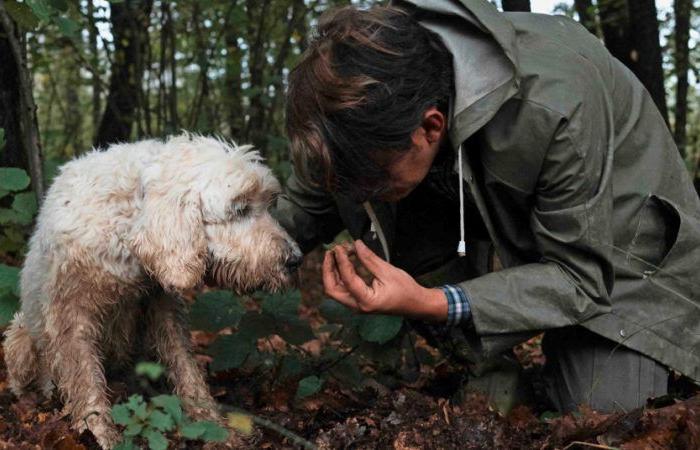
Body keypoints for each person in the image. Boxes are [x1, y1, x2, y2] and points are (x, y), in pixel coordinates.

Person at [273, 0, 700, 413]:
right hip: (525, 226)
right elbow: (303, 206)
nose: (361, 193)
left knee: (606, 410)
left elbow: (581, 278)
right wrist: (223, 249)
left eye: (373, 178)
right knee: (385, 192)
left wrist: (429, 301)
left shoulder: (555, 105)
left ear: (430, 127)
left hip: (620, 252)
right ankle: (489, 374)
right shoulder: (355, 109)